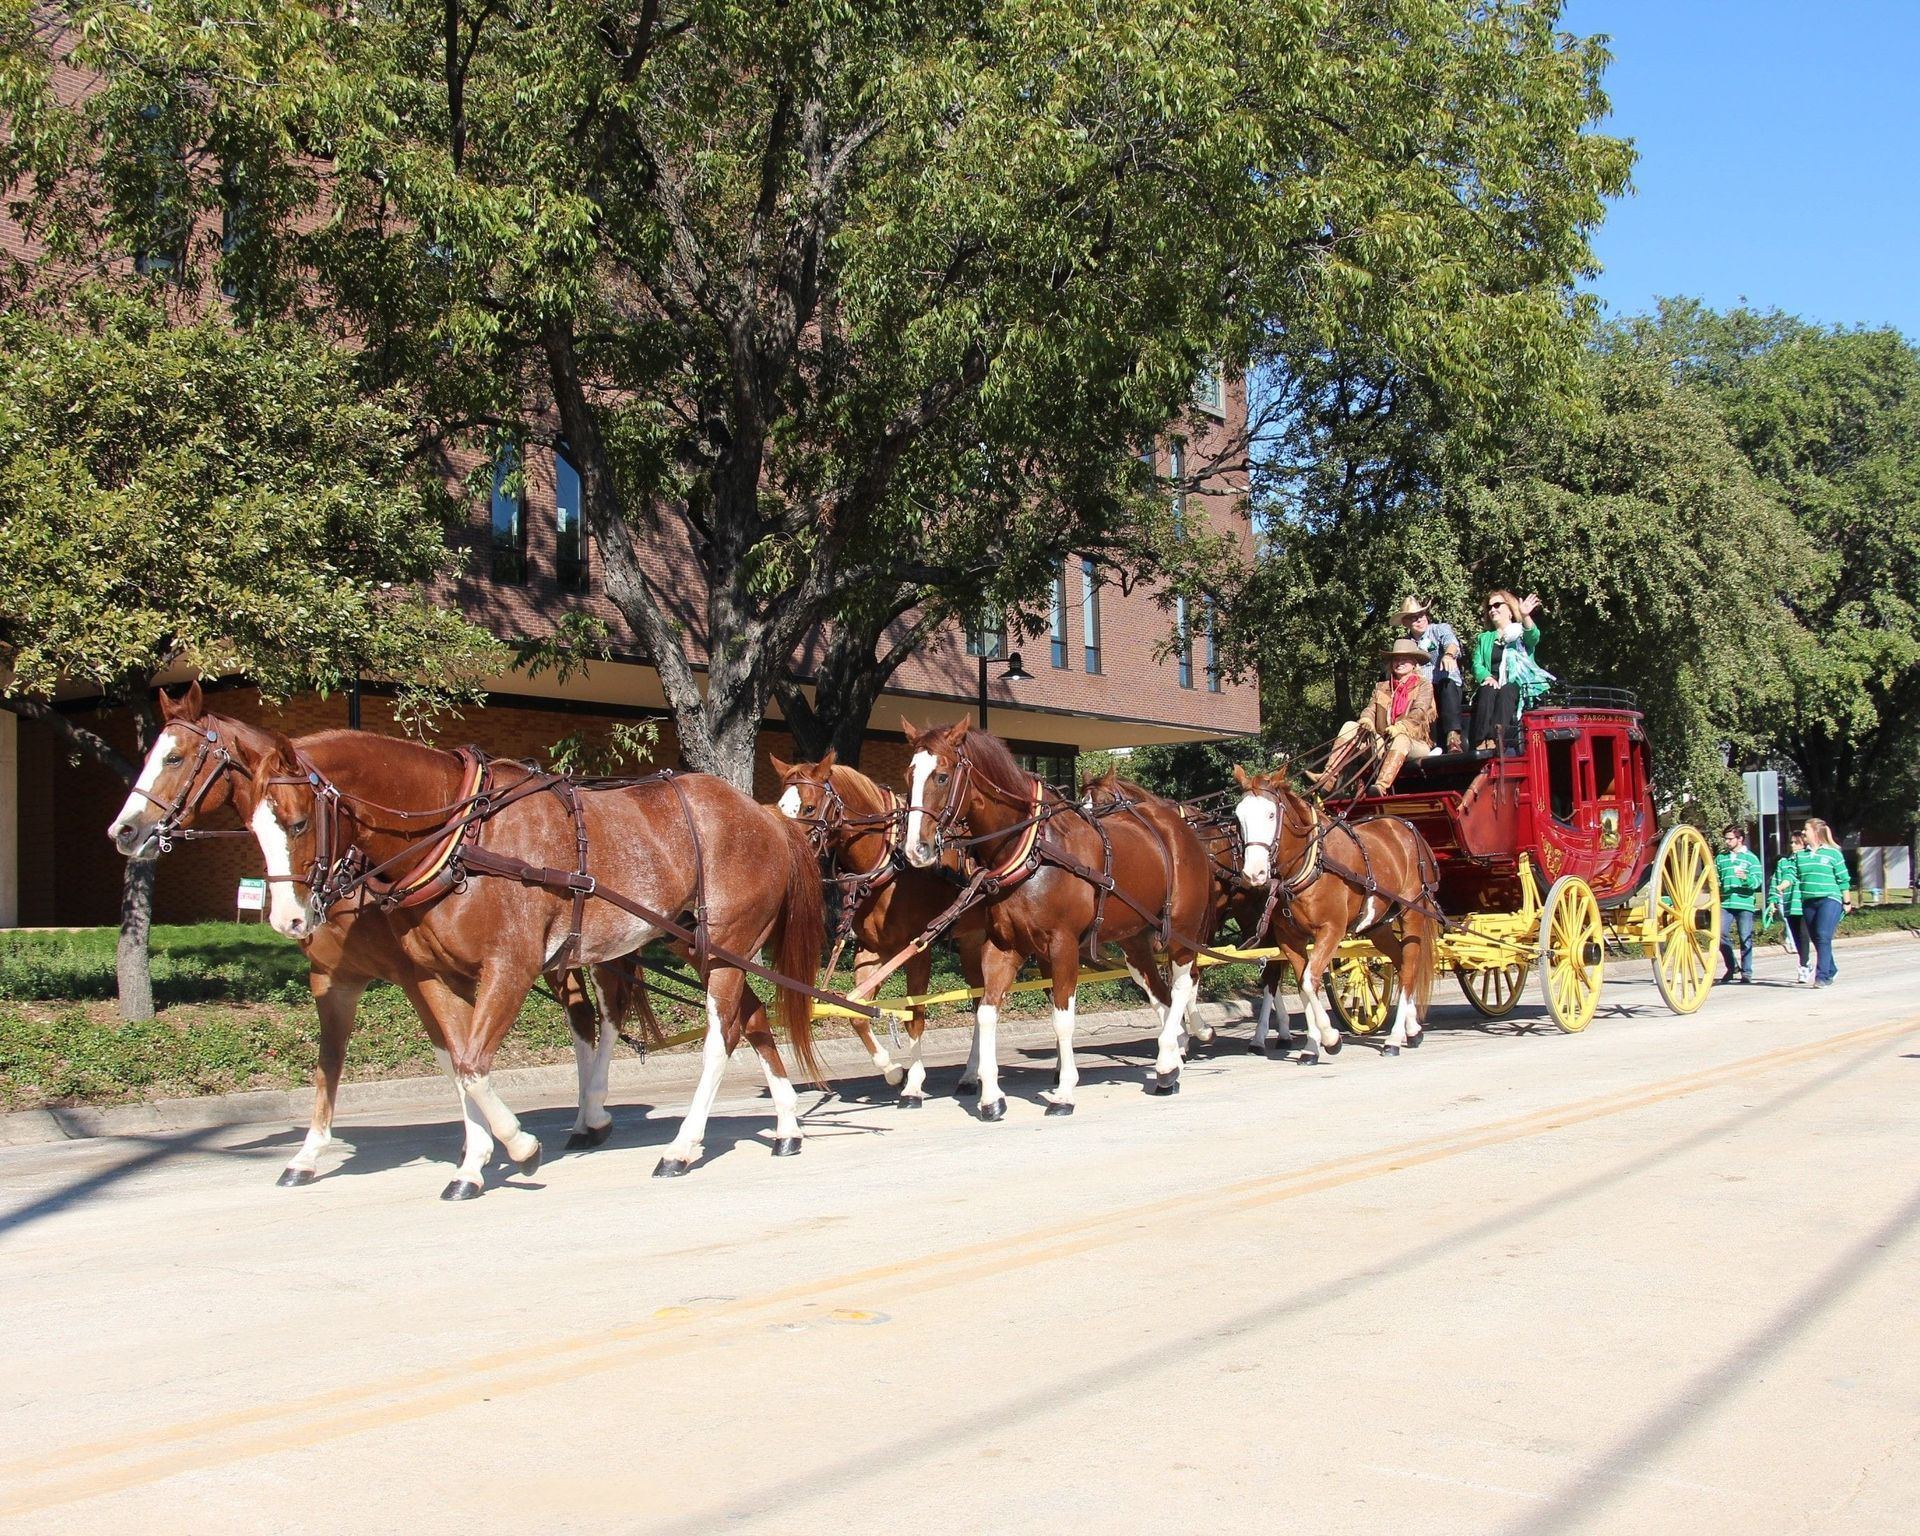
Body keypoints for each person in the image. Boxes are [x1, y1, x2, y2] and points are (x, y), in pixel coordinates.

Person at [1311, 637, 1436, 796]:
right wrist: (1367, 720)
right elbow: (1370, 709)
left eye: (1404, 659)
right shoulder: (1382, 687)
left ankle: (1380, 787)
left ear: (1414, 663)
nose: (1399, 663)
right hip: (1382, 742)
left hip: (1413, 743)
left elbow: (1419, 711)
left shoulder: (1424, 685)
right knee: (1350, 726)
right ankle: (1327, 778)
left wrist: (1401, 727)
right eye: (1396, 659)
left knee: (1401, 739)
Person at [1469, 590, 1550, 752]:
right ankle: (1481, 740)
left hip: (1517, 681)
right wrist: (1486, 676)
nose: (1492, 609)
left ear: (1510, 610)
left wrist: (1526, 616)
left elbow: (1533, 637)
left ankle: (1496, 738)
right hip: (1492, 680)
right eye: (1489, 607)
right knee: (1487, 690)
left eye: (1497, 605)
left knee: (1507, 690)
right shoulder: (1484, 638)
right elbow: (1476, 664)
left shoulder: (1520, 632)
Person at [1395, 595, 1465, 754]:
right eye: (1413, 618)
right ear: (1405, 623)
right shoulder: (1407, 644)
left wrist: (1448, 655)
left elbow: (1451, 643)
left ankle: (1453, 738)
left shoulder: (1439, 629)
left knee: (1446, 685)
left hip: (1445, 684)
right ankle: (1420, 744)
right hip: (1422, 689)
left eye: (1421, 615)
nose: (1419, 620)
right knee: (1414, 694)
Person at [1793, 818, 1849, 987]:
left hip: (1830, 899)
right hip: (1809, 900)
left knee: (1823, 936)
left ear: (1816, 832)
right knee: (1817, 938)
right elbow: (1792, 874)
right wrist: (1781, 886)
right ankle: (1831, 968)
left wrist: (1847, 901)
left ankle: (1822, 976)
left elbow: (1843, 879)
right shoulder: (1800, 856)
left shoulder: (1833, 853)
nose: (1803, 833)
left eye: (1806, 830)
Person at [1714, 824, 1763, 984]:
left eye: (1730, 839)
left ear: (1740, 839)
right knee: (1719, 934)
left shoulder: (1751, 858)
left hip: (1744, 903)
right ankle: (1732, 966)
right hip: (1726, 902)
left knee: (1745, 937)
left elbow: (1757, 881)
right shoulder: (1721, 858)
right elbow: (1715, 878)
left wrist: (1746, 879)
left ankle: (1747, 972)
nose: (1727, 842)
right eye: (1726, 839)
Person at [1768, 830, 1811, 983]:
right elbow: (1775, 883)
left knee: (1804, 934)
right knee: (1796, 937)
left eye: (1796, 842)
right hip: (1789, 904)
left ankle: (1804, 966)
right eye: (1791, 842)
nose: (1793, 845)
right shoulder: (1783, 862)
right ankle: (1805, 961)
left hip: (1803, 903)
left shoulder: (1807, 860)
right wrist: (1772, 901)